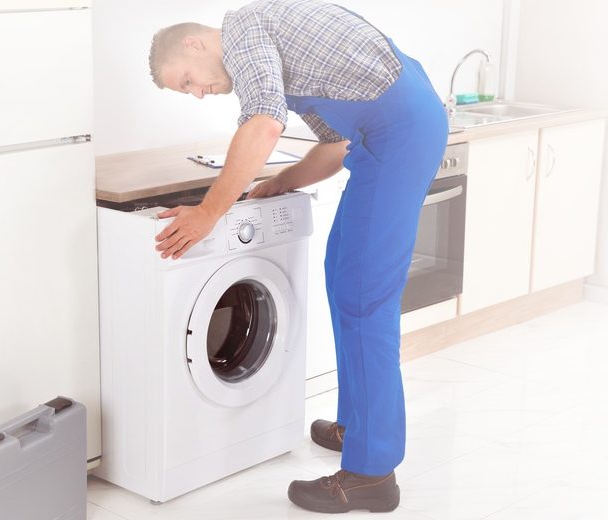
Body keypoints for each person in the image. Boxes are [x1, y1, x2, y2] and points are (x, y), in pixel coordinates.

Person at [148, 0, 448, 513]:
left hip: (401, 133)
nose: (198, 93)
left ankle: (372, 474)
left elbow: (264, 124)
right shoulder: (280, 52)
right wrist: (280, 182)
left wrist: (210, 213)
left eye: (187, 80)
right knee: (344, 274)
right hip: (391, 134)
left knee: (366, 298)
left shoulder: (244, 32)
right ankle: (358, 426)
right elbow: (334, 148)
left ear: (194, 44)